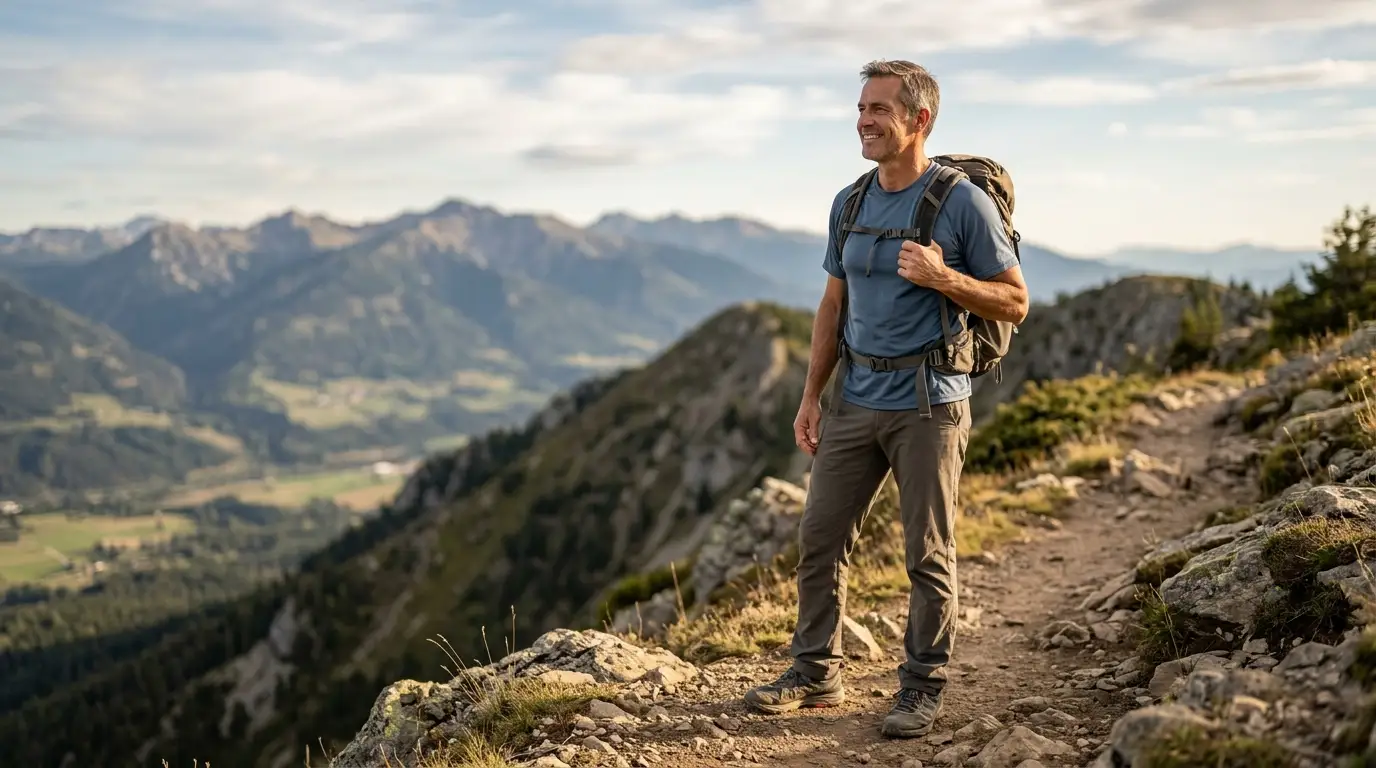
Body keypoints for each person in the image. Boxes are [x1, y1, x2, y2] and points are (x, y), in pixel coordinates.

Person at [742, 59, 1029, 738]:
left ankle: (922, 685)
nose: (865, 122)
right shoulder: (851, 202)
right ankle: (815, 672)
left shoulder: (961, 202)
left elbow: (1015, 301)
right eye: (862, 108)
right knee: (819, 539)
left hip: (930, 403)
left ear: (920, 120)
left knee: (926, 552)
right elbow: (833, 304)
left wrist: (944, 276)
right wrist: (811, 396)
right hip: (856, 398)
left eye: (880, 110)